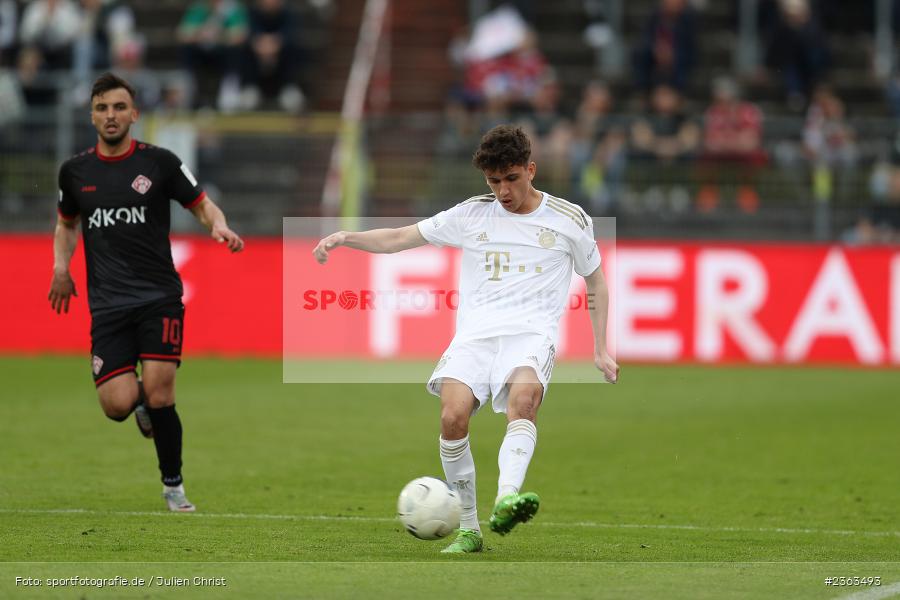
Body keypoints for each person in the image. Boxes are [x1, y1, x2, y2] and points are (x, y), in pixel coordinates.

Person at [314, 125, 618, 553]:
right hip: (475, 336)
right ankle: (470, 530)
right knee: (452, 418)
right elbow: (402, 237)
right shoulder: (472, 214)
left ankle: (507, 497)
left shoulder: (569, 220)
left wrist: (600, 348)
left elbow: (597, 282)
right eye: (494, 181)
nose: (503, 190)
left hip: (532, 333)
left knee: (524, 402)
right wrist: (348, 237)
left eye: (511, 178)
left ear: (531, 170)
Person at [48, 72, 244, 512]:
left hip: (158, 297)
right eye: (102, 108)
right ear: (92, 115)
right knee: (117, 404)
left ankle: (173, 486)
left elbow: (201, 203)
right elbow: (66, 225)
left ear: (134, 114)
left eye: (119, 107)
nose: (110, 115)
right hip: (108, 305)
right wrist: (61, 267)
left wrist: (219, 225)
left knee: (161, 393)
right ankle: (136, 405)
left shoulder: (160, 163)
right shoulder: (75, 172)